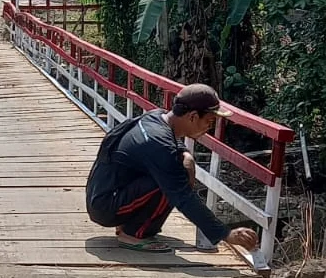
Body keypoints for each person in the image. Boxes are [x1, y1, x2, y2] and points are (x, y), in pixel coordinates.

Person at [86, 84, 258, 253]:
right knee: (173, 178)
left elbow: (173, 148)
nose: (209, 128)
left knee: (179, 165)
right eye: (209, 121)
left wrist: (186, 155)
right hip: (105, 208)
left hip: (104, 194)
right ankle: (134, 234)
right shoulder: (159, 145)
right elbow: (183, 197)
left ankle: (129, 224)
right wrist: (225, 233)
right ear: (192, 117)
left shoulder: (157, 117)